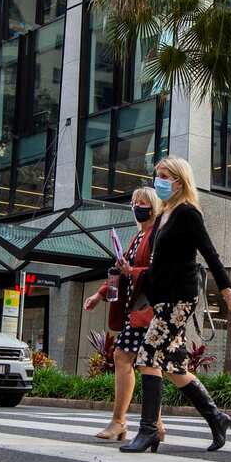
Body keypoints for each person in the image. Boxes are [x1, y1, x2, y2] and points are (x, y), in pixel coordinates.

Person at [121, 157, 231, 453]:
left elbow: (209, 252)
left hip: (179, 298)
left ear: (180, 180)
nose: (159, 181)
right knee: (175, 367)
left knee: (147, 355)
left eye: (165, 176)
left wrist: (226, 290)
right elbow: (161, 264)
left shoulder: (188, 213)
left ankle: (149, 430)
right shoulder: (164, 215)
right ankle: (216, 418)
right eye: (157, 175)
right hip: (164, 297)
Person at [83, 187, 165, 443]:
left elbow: (158, 272)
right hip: (139, 311)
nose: (136, 206)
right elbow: (126, 275)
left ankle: (120, 421)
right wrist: (101, 293)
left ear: (153, 205)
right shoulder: (138, 237)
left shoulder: (157, 236)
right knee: (148, 364)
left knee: (128, 358)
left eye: (141, 202)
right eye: (133, 202)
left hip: (149, 310)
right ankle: (155, 424)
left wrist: (132, 271)